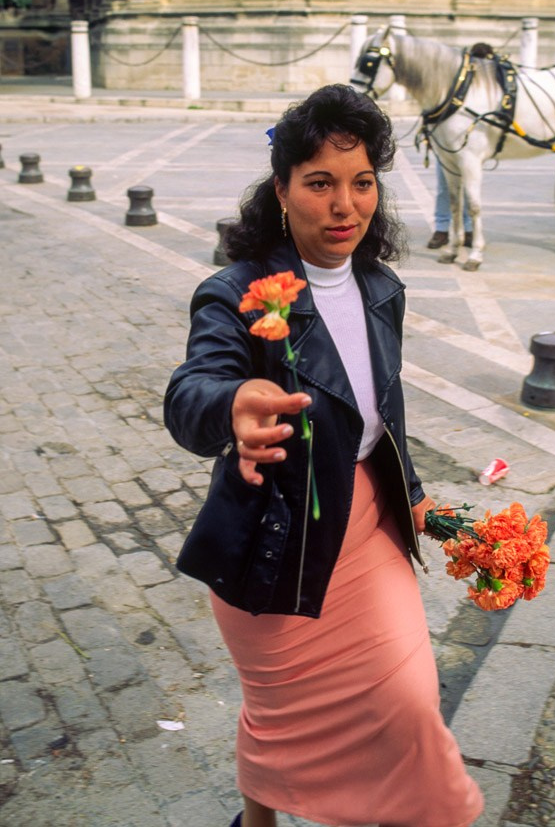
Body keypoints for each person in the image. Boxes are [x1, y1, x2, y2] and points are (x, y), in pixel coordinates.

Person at [164, 84, 484, 827]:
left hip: (369, 528)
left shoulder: (380, 286)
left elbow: (383, 415)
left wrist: (417, 499)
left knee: (410, 705)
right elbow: (190, 393)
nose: (345, 206)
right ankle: (259, 819)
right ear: (281, 190)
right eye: (319, 183)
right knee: (277, 715)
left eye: (362, 182)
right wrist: (233, 404)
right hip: (276, 542)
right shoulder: (237, 292)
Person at [427, 156, 473, 249]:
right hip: (445, 152)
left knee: (468, 188)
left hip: (468, 151)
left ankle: (468, 230)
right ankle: (442, 229)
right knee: (444, 188)